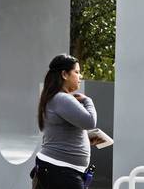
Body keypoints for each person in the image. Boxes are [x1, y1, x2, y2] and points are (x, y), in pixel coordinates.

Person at [33, 54, 99, 188]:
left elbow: (61, 132)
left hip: (56, 169)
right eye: (77, 72)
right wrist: (87, 100)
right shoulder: (62, 99)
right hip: (61, 171)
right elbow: (90, 121)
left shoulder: (54, 98)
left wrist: (86, 139)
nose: (80, 76)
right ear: (64, 74)